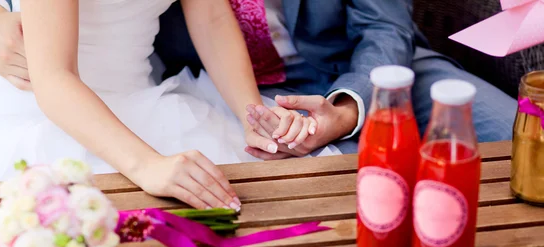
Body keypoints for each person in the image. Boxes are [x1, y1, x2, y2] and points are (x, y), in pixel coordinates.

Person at [0, 0, 313, 210]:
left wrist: (250, 112)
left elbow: (212, 17)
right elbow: (54, 77)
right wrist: (148, 164)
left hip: (144, 102)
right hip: (41, 107)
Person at [154, 0, 516, 160]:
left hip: (375, 66)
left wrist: (347, 109)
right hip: (245, 89)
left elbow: (384, 25)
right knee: (370, 187)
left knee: (525, 142)